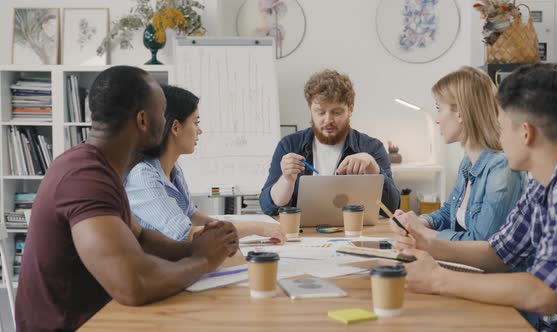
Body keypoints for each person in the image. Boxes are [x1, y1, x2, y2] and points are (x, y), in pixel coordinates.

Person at [15, 66, 239, 331]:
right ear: (143, 120)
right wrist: (201, 261)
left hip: (99, 316)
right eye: (163, 110)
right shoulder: (84, 176)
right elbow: (134, 284)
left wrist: (194, 248)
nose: (167, 120)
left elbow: (140, 237)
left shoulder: (101, 167)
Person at [394, 64, 557, 331]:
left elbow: (545, 293)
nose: (497, 137)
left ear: (526, 132)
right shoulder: (544, 180)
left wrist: (438, 279)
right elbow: (498, 252)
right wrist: (427, 243)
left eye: (500, 127)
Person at [125, 85, 285, 242]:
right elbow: (186, 235)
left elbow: (192, 215)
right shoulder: (143, 177)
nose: (199, 130)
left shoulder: (174, 169)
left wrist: (235, 226)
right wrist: (255, 228)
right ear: (175, 127)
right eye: (195, 122)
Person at [392, 66, 526, 241]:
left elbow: (480, 241)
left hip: (487, 268)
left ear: (461, 113)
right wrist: (419, 221)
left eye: (439, 108)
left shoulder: (501, 168)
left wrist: (426, 234)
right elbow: (450, 212)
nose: (437, 119)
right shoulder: (468, 162)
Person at [260, 69, 400, 215]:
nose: (328, 121)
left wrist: (372, 168)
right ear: (310, 109)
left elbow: (392, 208)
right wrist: (287, 180)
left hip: (354, 233)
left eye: (336, 112)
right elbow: (267, 207)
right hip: (302, 235)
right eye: (320, 112)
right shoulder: (289, 145)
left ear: (350, 109)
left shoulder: (372, 147)